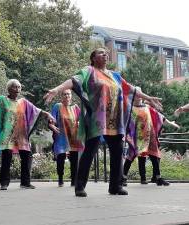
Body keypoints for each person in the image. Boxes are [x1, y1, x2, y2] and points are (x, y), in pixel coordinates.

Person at [44, 47, 162, 197]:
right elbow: (74, 81)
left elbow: (130, 89)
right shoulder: (89, 71)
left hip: (115, 120)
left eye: (106, 53)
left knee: (117, 153)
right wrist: (57, 89)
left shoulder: (115, 76)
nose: (105, 54)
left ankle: (115, 186)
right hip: (97, 120)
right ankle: (79, 186)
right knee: (89, 152)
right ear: (93, 58)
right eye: (101, 52)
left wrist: (149, 98)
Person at [0, 79, 58, 190]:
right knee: (7, 157)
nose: (17, 89)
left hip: (21, 134)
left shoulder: (23, 102)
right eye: (15, 87)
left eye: (19, 87)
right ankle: (4, 183)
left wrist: (47, 114)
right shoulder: (2, 100)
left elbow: (36, 110)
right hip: (7, 135)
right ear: (9, 89)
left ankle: (25, 182)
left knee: (27, 156)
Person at [122, 95, 180, 186]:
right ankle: (123, 178)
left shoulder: (147, 107)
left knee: (154, 156)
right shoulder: (130, 109)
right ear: (133, 97)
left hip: (150, 137)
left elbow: (160, 117)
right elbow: (125, 123)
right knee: (131, 156)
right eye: (137, 94)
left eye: (140, 94)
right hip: (136, 138)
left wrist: (171, 124)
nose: (139, 96)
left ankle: (158, 178)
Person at [50, 89, 84, 187]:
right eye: (64, 94)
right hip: (61, 137)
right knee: (60, 157)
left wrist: (79, 123)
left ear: (71, 96)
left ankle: (74, 181)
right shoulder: (57, 106)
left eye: (68, 94)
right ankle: (60, 178)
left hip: (74, 137)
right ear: (61, 96)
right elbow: (51, 120)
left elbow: (82, 119)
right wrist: (52, 126)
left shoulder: (75, 108)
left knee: (74, 159)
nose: (66, 96)